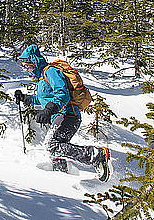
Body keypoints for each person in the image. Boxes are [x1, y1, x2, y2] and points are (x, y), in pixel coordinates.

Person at [14, 44, 111, 182]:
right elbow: (44, 98)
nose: (27, 69)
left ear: (34, 62)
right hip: (60, 116)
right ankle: (61, 180)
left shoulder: (51, 72)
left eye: (28, 65)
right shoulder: (42, 78)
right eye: (25, 66)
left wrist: (49, 109)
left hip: (68, 115)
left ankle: (95, 155)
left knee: (51, 146)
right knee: (56, 152)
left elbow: (63, 94)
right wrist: (25, 98)